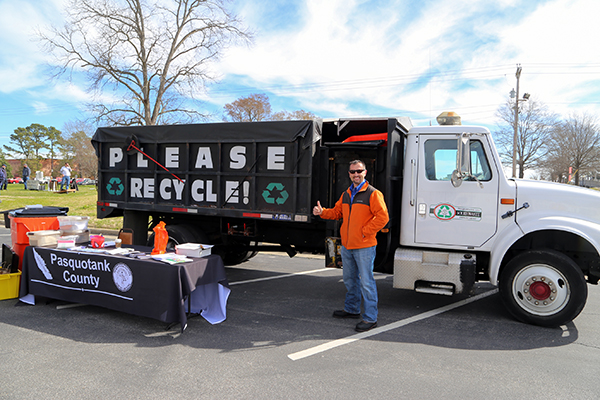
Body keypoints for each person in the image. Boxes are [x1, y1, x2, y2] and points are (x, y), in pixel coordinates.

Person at [313, 160, 389, 332]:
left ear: (365, 172)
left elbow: (383, 217)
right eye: (353, 172)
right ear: (349, 174)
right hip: (347, 245)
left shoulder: (373, 194)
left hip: (364, 246)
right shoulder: (346, 194)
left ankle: (370, 318)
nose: (356, 174)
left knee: (367, 282)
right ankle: (352, 309)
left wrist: (364, 232)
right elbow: (337, 212)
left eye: (359, 171)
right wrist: (322, 212)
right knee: (349, 279)